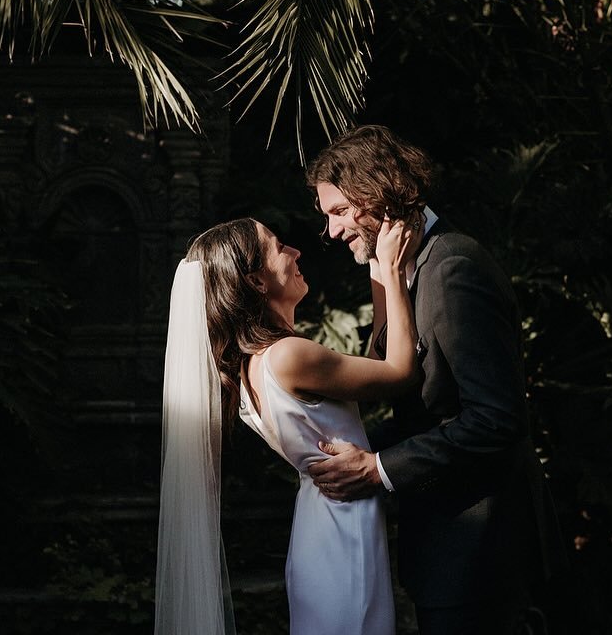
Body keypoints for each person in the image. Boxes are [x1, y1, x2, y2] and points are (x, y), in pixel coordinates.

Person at [306, 125, 569, 635]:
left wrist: (379, 467)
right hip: (450, 551)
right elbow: (408, 397)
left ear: (376, 193)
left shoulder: (451, 268)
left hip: (482, 554)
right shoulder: (409, 268)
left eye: (339, 212)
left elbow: (496, 420)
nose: (333, 232)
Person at [154, 215, 419, 635]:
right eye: (279, 248)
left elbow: (371, 367)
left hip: (324, 523)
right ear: (257, 282)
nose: (295, 252)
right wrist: (391, 270)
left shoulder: (253, 366)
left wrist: (375, 271)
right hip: (341, 528)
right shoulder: (289, 356)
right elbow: (400, 372)